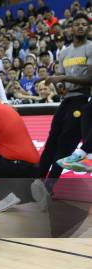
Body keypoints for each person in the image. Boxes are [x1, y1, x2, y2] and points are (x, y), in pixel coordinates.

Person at [0, 81, 49, 211]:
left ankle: (14, 194)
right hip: (33, 165)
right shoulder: (7, 107)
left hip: (16, 165)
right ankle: (24, 189)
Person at [39, 13, 92, 185]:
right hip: (66, 101)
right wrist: (60, 86)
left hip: (82, 100)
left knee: (65, 145)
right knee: (51, 141)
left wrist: (63, 79)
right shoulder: (64, 52)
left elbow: (90, 79)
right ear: (72, 27)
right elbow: (60, 78)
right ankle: (35, 181)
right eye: (77, 24)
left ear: (88, 28)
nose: (81, 27)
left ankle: (49, 186)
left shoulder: (90, 48)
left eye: (84, 24)